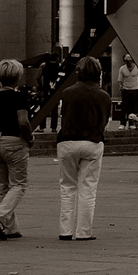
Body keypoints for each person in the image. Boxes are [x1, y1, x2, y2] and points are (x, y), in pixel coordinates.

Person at [56, 56, 109, 240]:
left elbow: (62, 117)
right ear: (98, 74)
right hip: (92, 141)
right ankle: (83, 231)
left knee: (67, 186)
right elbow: (104, 122)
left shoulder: (67, 93)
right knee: (88, 188)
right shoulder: (103, 95)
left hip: (67, 141)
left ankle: (65, 230)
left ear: (78, 72)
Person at [0, 59, 33, 240]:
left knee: (3, 186)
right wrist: (30, 138)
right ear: (17, 77)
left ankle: (10, 228)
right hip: (14, 141)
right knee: (19, 184)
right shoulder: (19, 97)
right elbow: (23, 122)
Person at [118, 54, 138, 125]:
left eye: (129, 61)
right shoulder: (122, 68)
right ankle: (122, 123)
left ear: (132, 60)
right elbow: (120, 79)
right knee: (124, 107)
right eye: (126, 61)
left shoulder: (137, 67)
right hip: (126, 89)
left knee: (134, 108)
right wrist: (121, 86)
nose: (128, 62)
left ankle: (132, 124)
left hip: (135, 89)